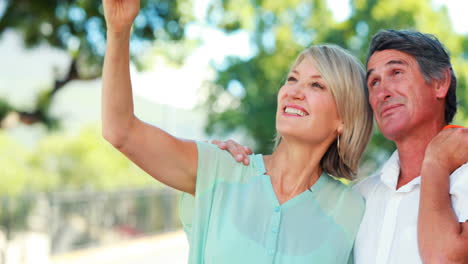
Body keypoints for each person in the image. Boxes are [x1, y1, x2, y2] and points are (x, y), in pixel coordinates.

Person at [101, 0, 374, 263]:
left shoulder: (353, 211)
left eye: (317, 85)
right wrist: (118, 30)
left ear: (344, 119)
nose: (294, 91)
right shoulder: (219, 169)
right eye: (292, 79)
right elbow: (120, 130)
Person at [215, 29, 468, 263]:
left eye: (397, 73)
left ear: (439, 83)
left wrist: (436, 161)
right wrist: (236, 167)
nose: (383, 92)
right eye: (374, 83)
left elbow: (445, 258)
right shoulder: (359, 199)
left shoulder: (462, 178)